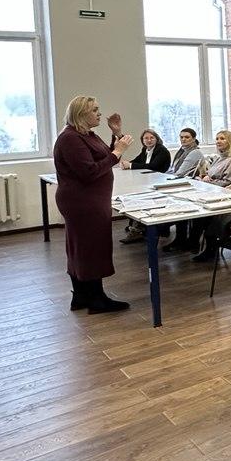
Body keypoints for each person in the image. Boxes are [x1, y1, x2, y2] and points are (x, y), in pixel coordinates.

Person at [52, 96, 132, 314]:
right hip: (83, 201)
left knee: (82, 247)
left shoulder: (87, 135)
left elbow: (105, 157)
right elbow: (89, 171)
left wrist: (116, 133)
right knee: (91, 248)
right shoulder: (70, 138)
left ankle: (81, 297)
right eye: (95, 110)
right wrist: (118, 152)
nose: (99, 113)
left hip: (90, 199)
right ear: (81, 114)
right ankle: (97, 300)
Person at [187, 131, 231, 262]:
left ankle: (209, 248)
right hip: (212, 193)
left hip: (226, 198)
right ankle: (193, 242)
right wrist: (203, 177)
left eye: (222, 138)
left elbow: (228, 182)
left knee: (206, 217)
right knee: (196, 211)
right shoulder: (219, 157)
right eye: (217, 138)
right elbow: (210, 174)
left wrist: (208, 182)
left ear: (230, 141)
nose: (218, 141)